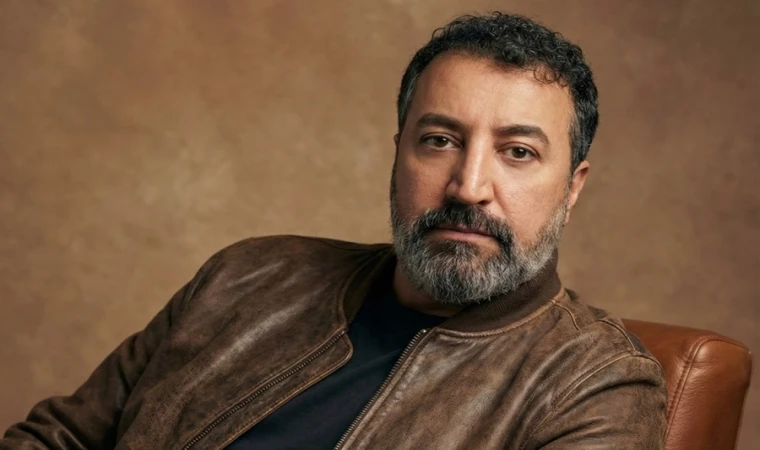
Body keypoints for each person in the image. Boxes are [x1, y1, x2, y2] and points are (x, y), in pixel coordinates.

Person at [1, 12, 667, 450]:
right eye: (439, 140)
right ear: (398, 153)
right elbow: (58, 438)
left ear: (573, 186)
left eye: (517, 152)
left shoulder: (598, 385)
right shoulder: (247, 275)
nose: (468, 187)